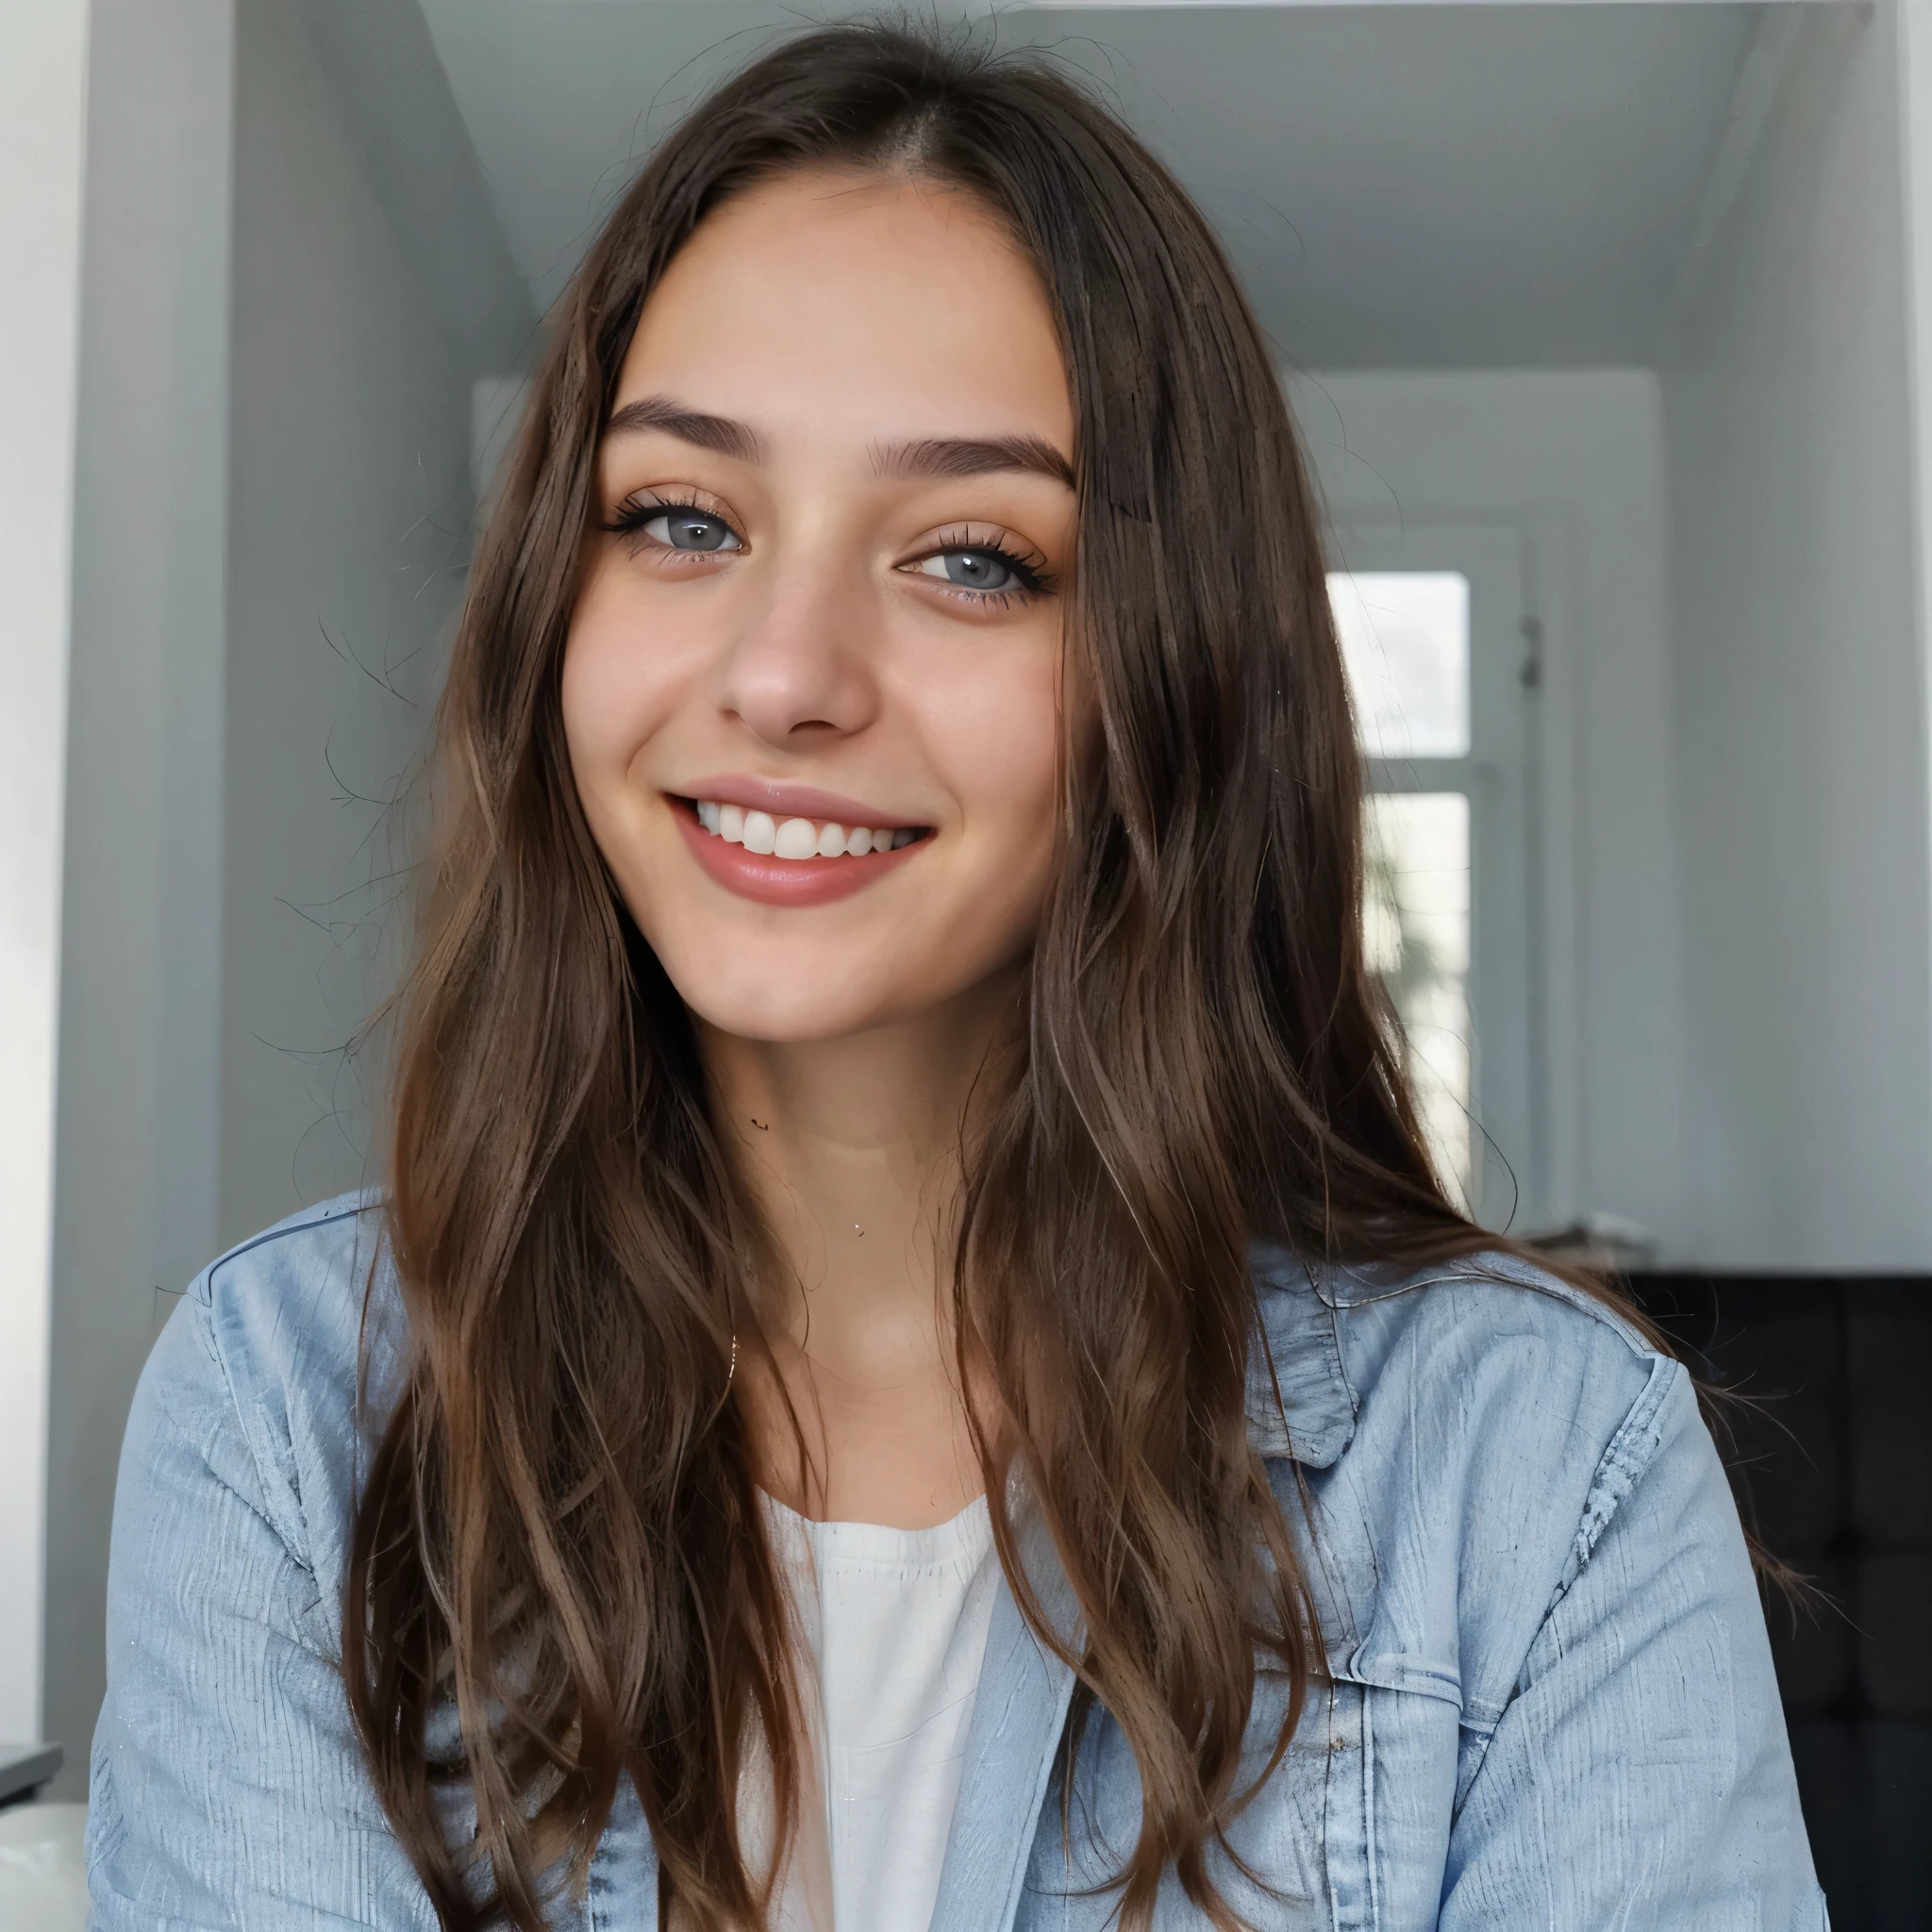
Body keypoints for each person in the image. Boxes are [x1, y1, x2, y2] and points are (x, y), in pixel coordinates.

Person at [86, 22, 1825, 1932]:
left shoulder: (1543, 1479)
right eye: (684, 517)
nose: (784, 674)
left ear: (1174, 675)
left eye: (973, 557)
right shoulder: (292, 1421)